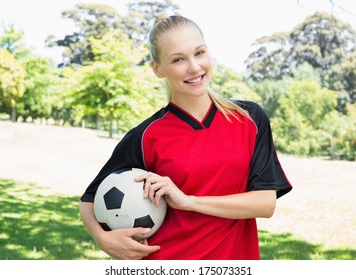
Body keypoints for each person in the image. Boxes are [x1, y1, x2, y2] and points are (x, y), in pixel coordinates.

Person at [79, 14, 292, 260]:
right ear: (157, 69)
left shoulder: (249, 118)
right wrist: (102, 238)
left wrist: (189, 201)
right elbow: (90, 199)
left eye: (199, 53)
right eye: (178, 59)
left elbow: (265, 203)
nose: (194, 67)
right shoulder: (146, 136)